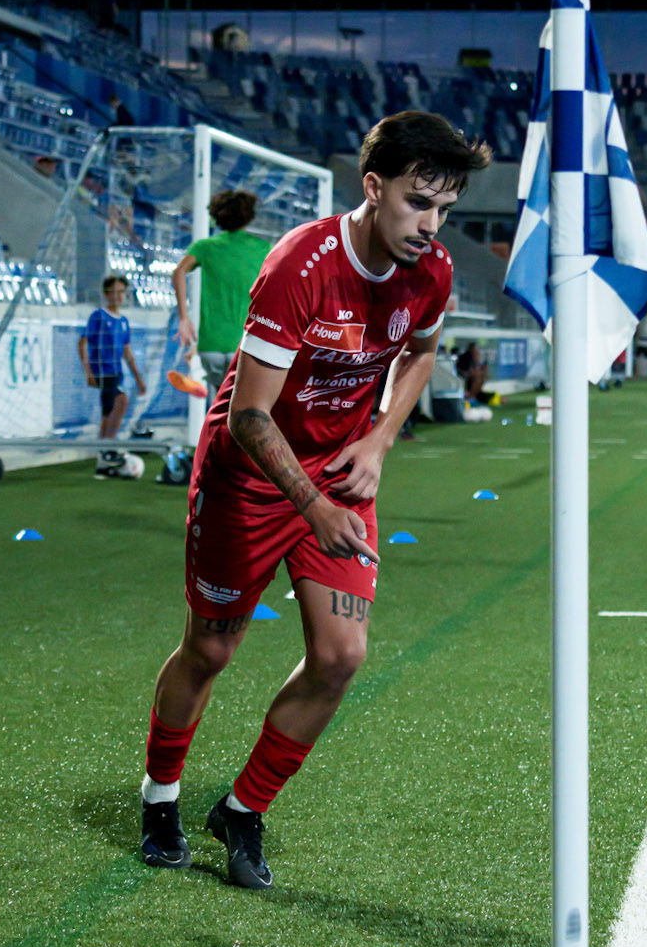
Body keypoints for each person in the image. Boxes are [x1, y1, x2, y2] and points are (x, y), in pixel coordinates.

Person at [138, 110, 490, 890]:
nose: (430, 226)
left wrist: (377, 441)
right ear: (373, 186)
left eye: (443, 210)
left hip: (337, 475)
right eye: (416, 203)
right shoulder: (301, 263)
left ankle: (241, 811)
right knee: (211, 650)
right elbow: (247, 416)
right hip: (249, 478)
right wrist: (314, 509)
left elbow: (425, 350)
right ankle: (160, 798)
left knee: (341, 657)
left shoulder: (428, 271)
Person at [173, 189, 273, 402]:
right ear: (249, 215)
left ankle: (197, 377)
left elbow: (179, 271)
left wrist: (184, 318)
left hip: (211, 346)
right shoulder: (264, 249)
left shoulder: (205, 247)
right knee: (246, 407)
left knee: (222, 403)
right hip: (247, 346)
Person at [78, 274, 146, 476]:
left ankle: (103, 457)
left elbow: (127, 352)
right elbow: (82, 342)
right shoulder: (98, 316)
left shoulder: (123, 321)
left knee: (108, 413)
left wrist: (138, 379)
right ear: (106, 294)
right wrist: (88, 371)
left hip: (116, 373)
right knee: (121, 401)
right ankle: (107, 447)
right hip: (102, 371)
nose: (117, 296)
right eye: (113, 292)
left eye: (121, 292)